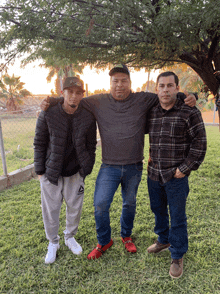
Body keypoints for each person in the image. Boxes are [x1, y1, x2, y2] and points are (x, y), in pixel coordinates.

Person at [40, 64, 197, 260]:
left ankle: (126, 236)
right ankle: (104, 240)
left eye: (124, 81)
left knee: (129, 204)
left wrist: (187, 96)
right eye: (115, 81)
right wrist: (53, 100)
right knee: (100, 204)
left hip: (134, 166)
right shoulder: (98, 101)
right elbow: (73, 99)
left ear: (130, 83)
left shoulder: (143, 99)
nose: (119, 85)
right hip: (109, 167)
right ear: (110, 83)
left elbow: (167, 94)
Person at [146, 71, 207, 278]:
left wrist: (185, 168)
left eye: (170, 86)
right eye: (161, 86)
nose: (165, 90)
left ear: (177, 88)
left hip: (176, 176)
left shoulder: (189, 112)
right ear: (156, 89)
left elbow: (200, 143)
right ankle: (163, 239)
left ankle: (177, 255)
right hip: (154, 173)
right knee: (157, 209)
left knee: (178, 216)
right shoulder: (152, 110)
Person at [34, 77, 97, 264]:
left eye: (78, 93)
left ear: (82, 95)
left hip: (75, 172)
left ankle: (69, 237)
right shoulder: (48, 113)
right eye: (70, 92)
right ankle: (53, 242)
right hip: (51, 172)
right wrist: (40, 171)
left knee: (74, 208)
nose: (74, 97)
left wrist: (87, 166)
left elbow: (91, 144)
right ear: (62, 93)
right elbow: (39, 143)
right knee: (51, 210)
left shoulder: (87, 116)